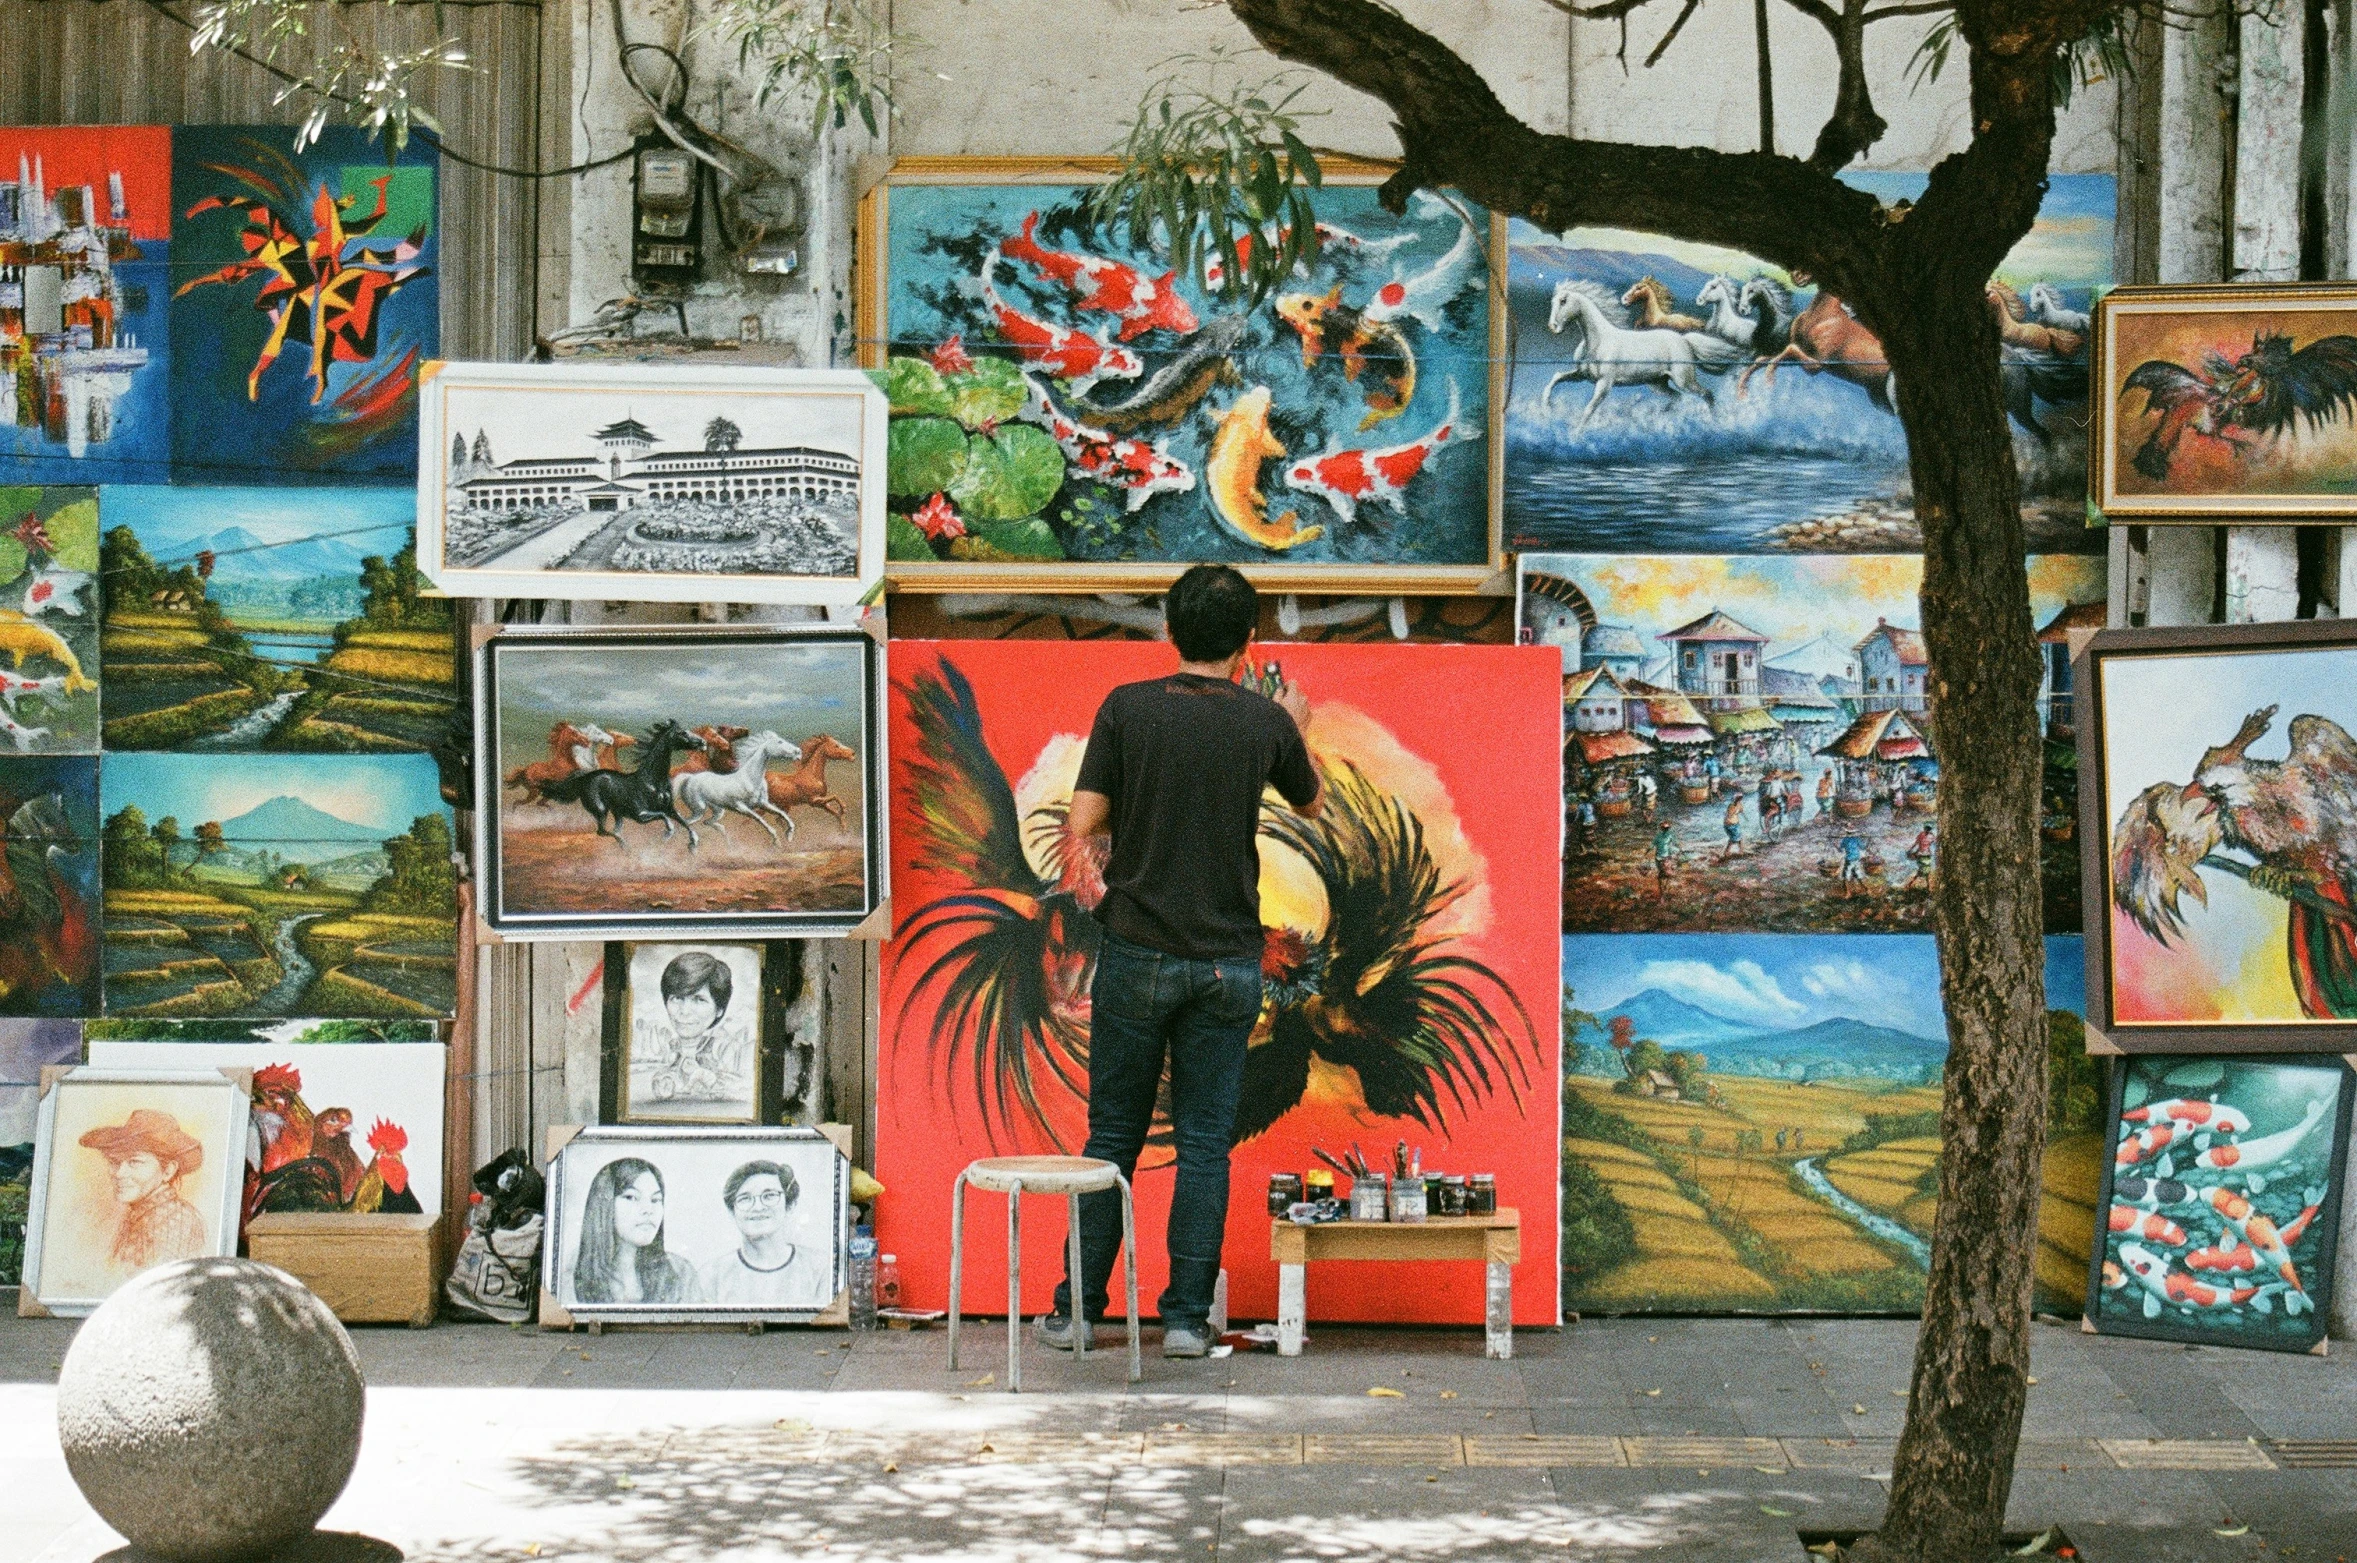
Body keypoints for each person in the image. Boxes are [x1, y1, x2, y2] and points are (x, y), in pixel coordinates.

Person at [1043, 564, 1321, 1359]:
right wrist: (1292, 722)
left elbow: (1088, 816)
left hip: (1136, 951)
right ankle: (1187, 1321)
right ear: (1248, 639)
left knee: (1112, 1138)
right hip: (1227, 964)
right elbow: (1312, 803)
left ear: (1169, 629)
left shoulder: (1127, 709)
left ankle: (1075, 1313)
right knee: (1204, 1143)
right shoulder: (1263, 722)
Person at [79, 1109, 210, 1275]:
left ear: (168, 1170)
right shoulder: (141, 1215)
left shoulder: (176, 1220)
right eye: (114, 1161)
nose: (119, 1173)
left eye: (135, 1162)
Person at [571, 1156, 700, 1304]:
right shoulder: (567, 1276)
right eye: (631, 1197)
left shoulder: (681, 1272)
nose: (648, 1210)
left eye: (655, 1200)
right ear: (604, 1205)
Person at [698, 1160, 824, 1307]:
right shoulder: (712, 1275)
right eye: (745, 1198)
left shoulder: (819, 1268)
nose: (758, 1207)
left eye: (769, 1196)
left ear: (789, 1205)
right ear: (732, 1211)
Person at [1909, 823, 1937, 891]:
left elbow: (1935, 842)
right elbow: (1916, 843)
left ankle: (1926, 886)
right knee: (1922, 870)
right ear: (1924, 828)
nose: (1927, 830)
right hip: (1921, 855)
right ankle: (1913, 883)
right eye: (1926, 828)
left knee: (1926, 871)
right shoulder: (1921, 835)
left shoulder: (1931, 836)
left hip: (1927, 855)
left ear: (1929, 829)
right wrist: (1910, 850)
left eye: (1928, 829)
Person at [1840, 831, 1869, 898]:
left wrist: (1836, 845)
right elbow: (1863, 847)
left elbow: (1841, 849)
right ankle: (1865, 889)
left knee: (1846, 877)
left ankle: (1848, 893)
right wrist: (1868, 842)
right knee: (1858, 876)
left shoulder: (1845, 839)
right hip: (1856, 860)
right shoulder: (1856, 839)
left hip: (1850, 860)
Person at [1652, 821, 1678, 896]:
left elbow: (1675, 843)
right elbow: (1652, 845)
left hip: (1666, 857)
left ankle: (1664, 890)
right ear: (1661, 828)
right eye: (1664, 828)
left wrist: (1679, 849)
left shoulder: (1670, 835)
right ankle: (1662, 891)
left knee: (1667, 874)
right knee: (1662, 874)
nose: (1665, 829)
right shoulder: (1659, 836)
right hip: (1659, 858)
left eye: (1667, 828)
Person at [1720, 795, 1744, 860]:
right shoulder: (1733, 806)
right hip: (1732, 825)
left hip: (1730, 824)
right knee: (1738, 839)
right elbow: (1730, 815)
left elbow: (1741, 811)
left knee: (1734, 839)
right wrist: (1737, 809)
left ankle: (1728, 852)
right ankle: (1739, 852)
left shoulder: (1734, 805)